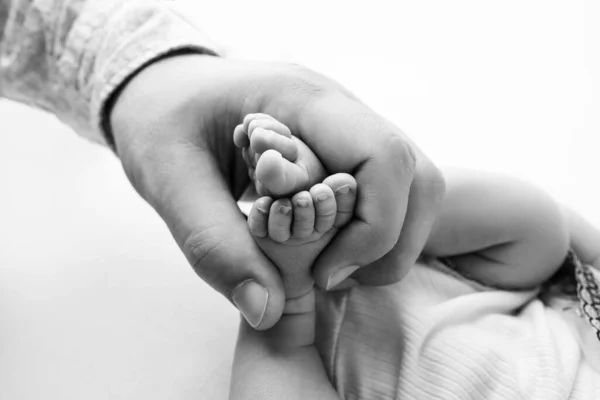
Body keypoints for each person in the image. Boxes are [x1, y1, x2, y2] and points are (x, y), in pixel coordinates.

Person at [0, 0, 444, 330]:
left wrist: (142, 73)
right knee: (410, 212)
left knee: (391, 214)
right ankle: (305, 210)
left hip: (350, 304)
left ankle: (299, 228)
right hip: (419, 286)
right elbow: (515, 225)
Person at [230, 114, 600, 399]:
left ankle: (287, 293)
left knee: (279, 354)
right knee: (540, 223)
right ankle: (372, 213)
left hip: (316, 361)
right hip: (489, 296)